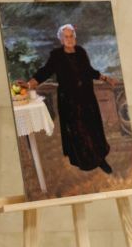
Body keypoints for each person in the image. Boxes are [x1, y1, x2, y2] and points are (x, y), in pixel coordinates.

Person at [28, 24, 116, 174]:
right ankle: (87, 160)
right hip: (70, 101)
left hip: (87, 98)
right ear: (61, 40)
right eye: (66, 37)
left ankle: (99, 158)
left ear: (75, 37)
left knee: (92, 128)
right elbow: (46, 71)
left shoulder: (81, 52)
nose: (69, 39)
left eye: (71, 36)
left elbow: (89, 71)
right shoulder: (56, 55)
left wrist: (105, 78)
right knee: (78, 130)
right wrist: (30, 83)